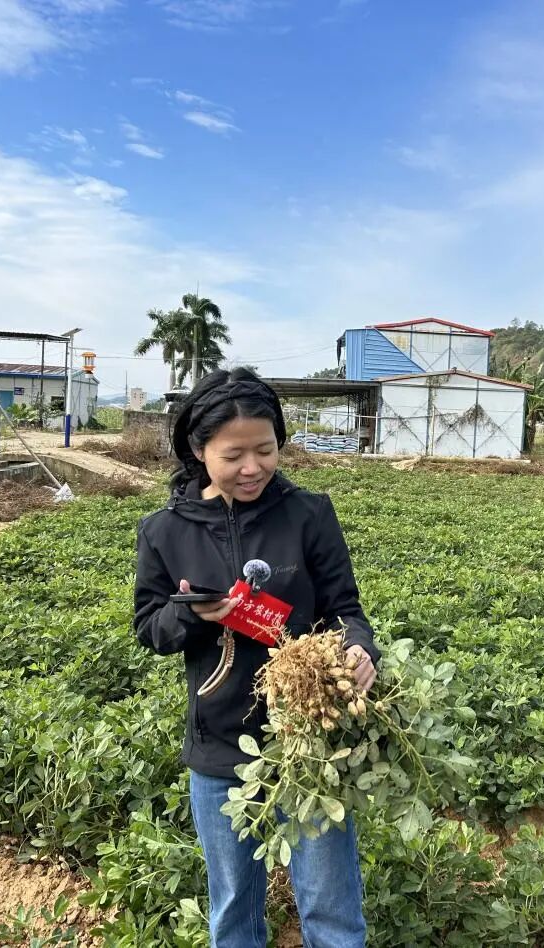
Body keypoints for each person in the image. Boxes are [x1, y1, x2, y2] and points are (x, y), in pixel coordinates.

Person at [134, 368, 379, 948]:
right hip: (221, 743)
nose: (253, 468)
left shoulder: (308, 514)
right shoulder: (164, 532)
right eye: (234, 454)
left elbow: (345, 607)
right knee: (235, 907)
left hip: (312, 741)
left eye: (265, 450)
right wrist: (193, 614)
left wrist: (360, 649)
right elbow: (150, 629)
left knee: (330, 906)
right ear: (199, 452)